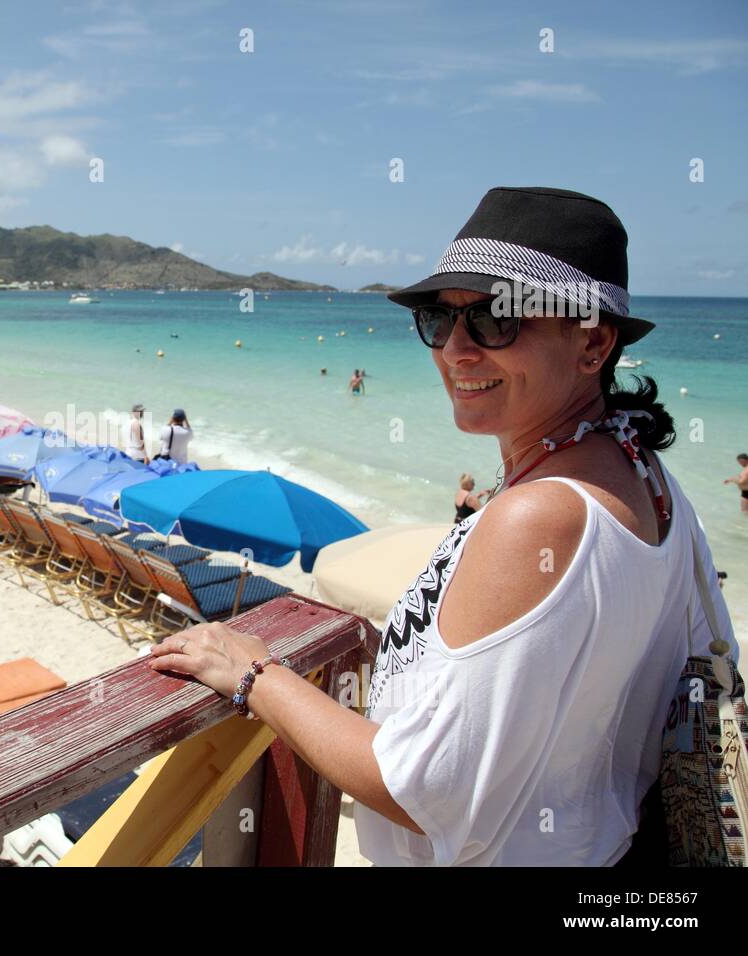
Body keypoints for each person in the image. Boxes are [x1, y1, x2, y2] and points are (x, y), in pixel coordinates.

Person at [149, 186, 736, 866]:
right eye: (439, 318)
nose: (457, 349)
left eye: (496, 320)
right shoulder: (651, 480)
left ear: (593, 344)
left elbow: (417, 785)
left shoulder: (539, 516)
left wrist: (254, 672)